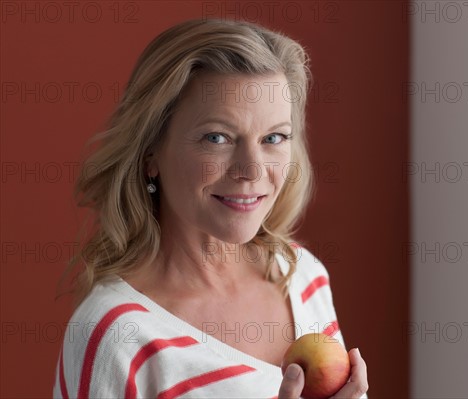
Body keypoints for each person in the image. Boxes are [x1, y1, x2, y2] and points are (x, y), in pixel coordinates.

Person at [53, 18, 368, 398]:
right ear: (151, 152)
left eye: (274, 137)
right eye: (217, 137)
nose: (252, 170)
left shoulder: (302, 274)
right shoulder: (115, 334)